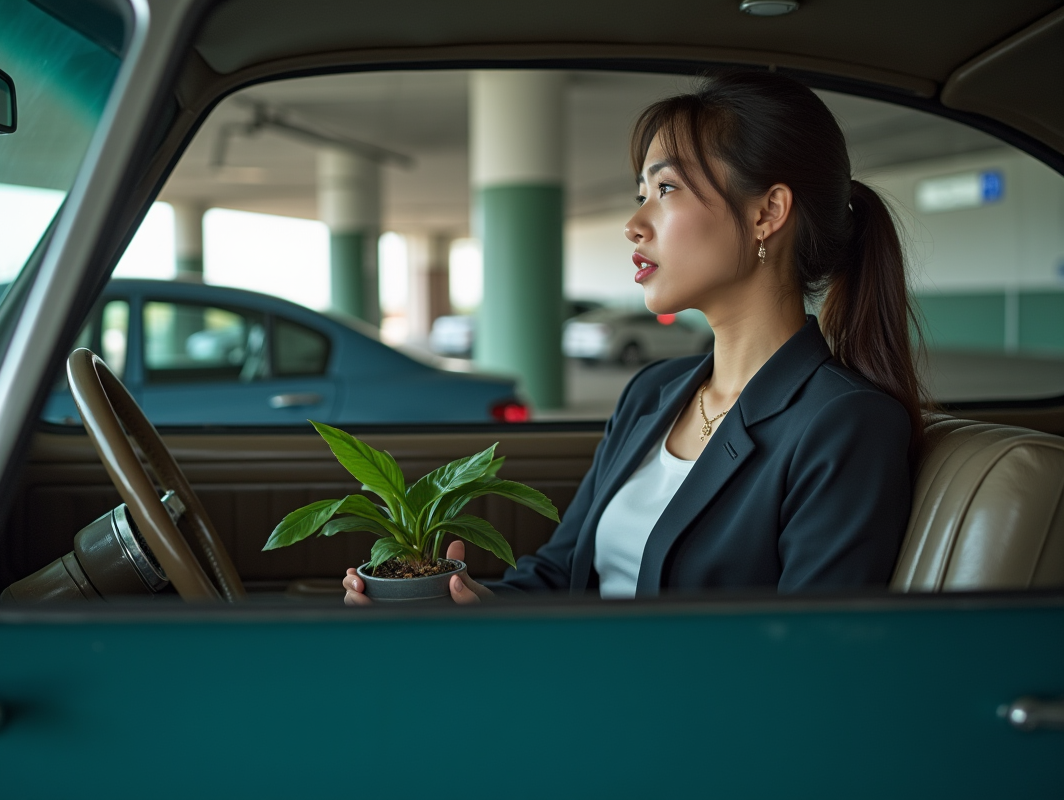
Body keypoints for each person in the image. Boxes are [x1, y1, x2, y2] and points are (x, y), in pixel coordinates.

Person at [344, 70, 924, 605]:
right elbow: (559, 572)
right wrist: (459, 600)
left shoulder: (845, 424)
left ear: (767, 211)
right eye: (639, 194)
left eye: (666, 190)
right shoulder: (653, 391)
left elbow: (811, 664)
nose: (634, 224)